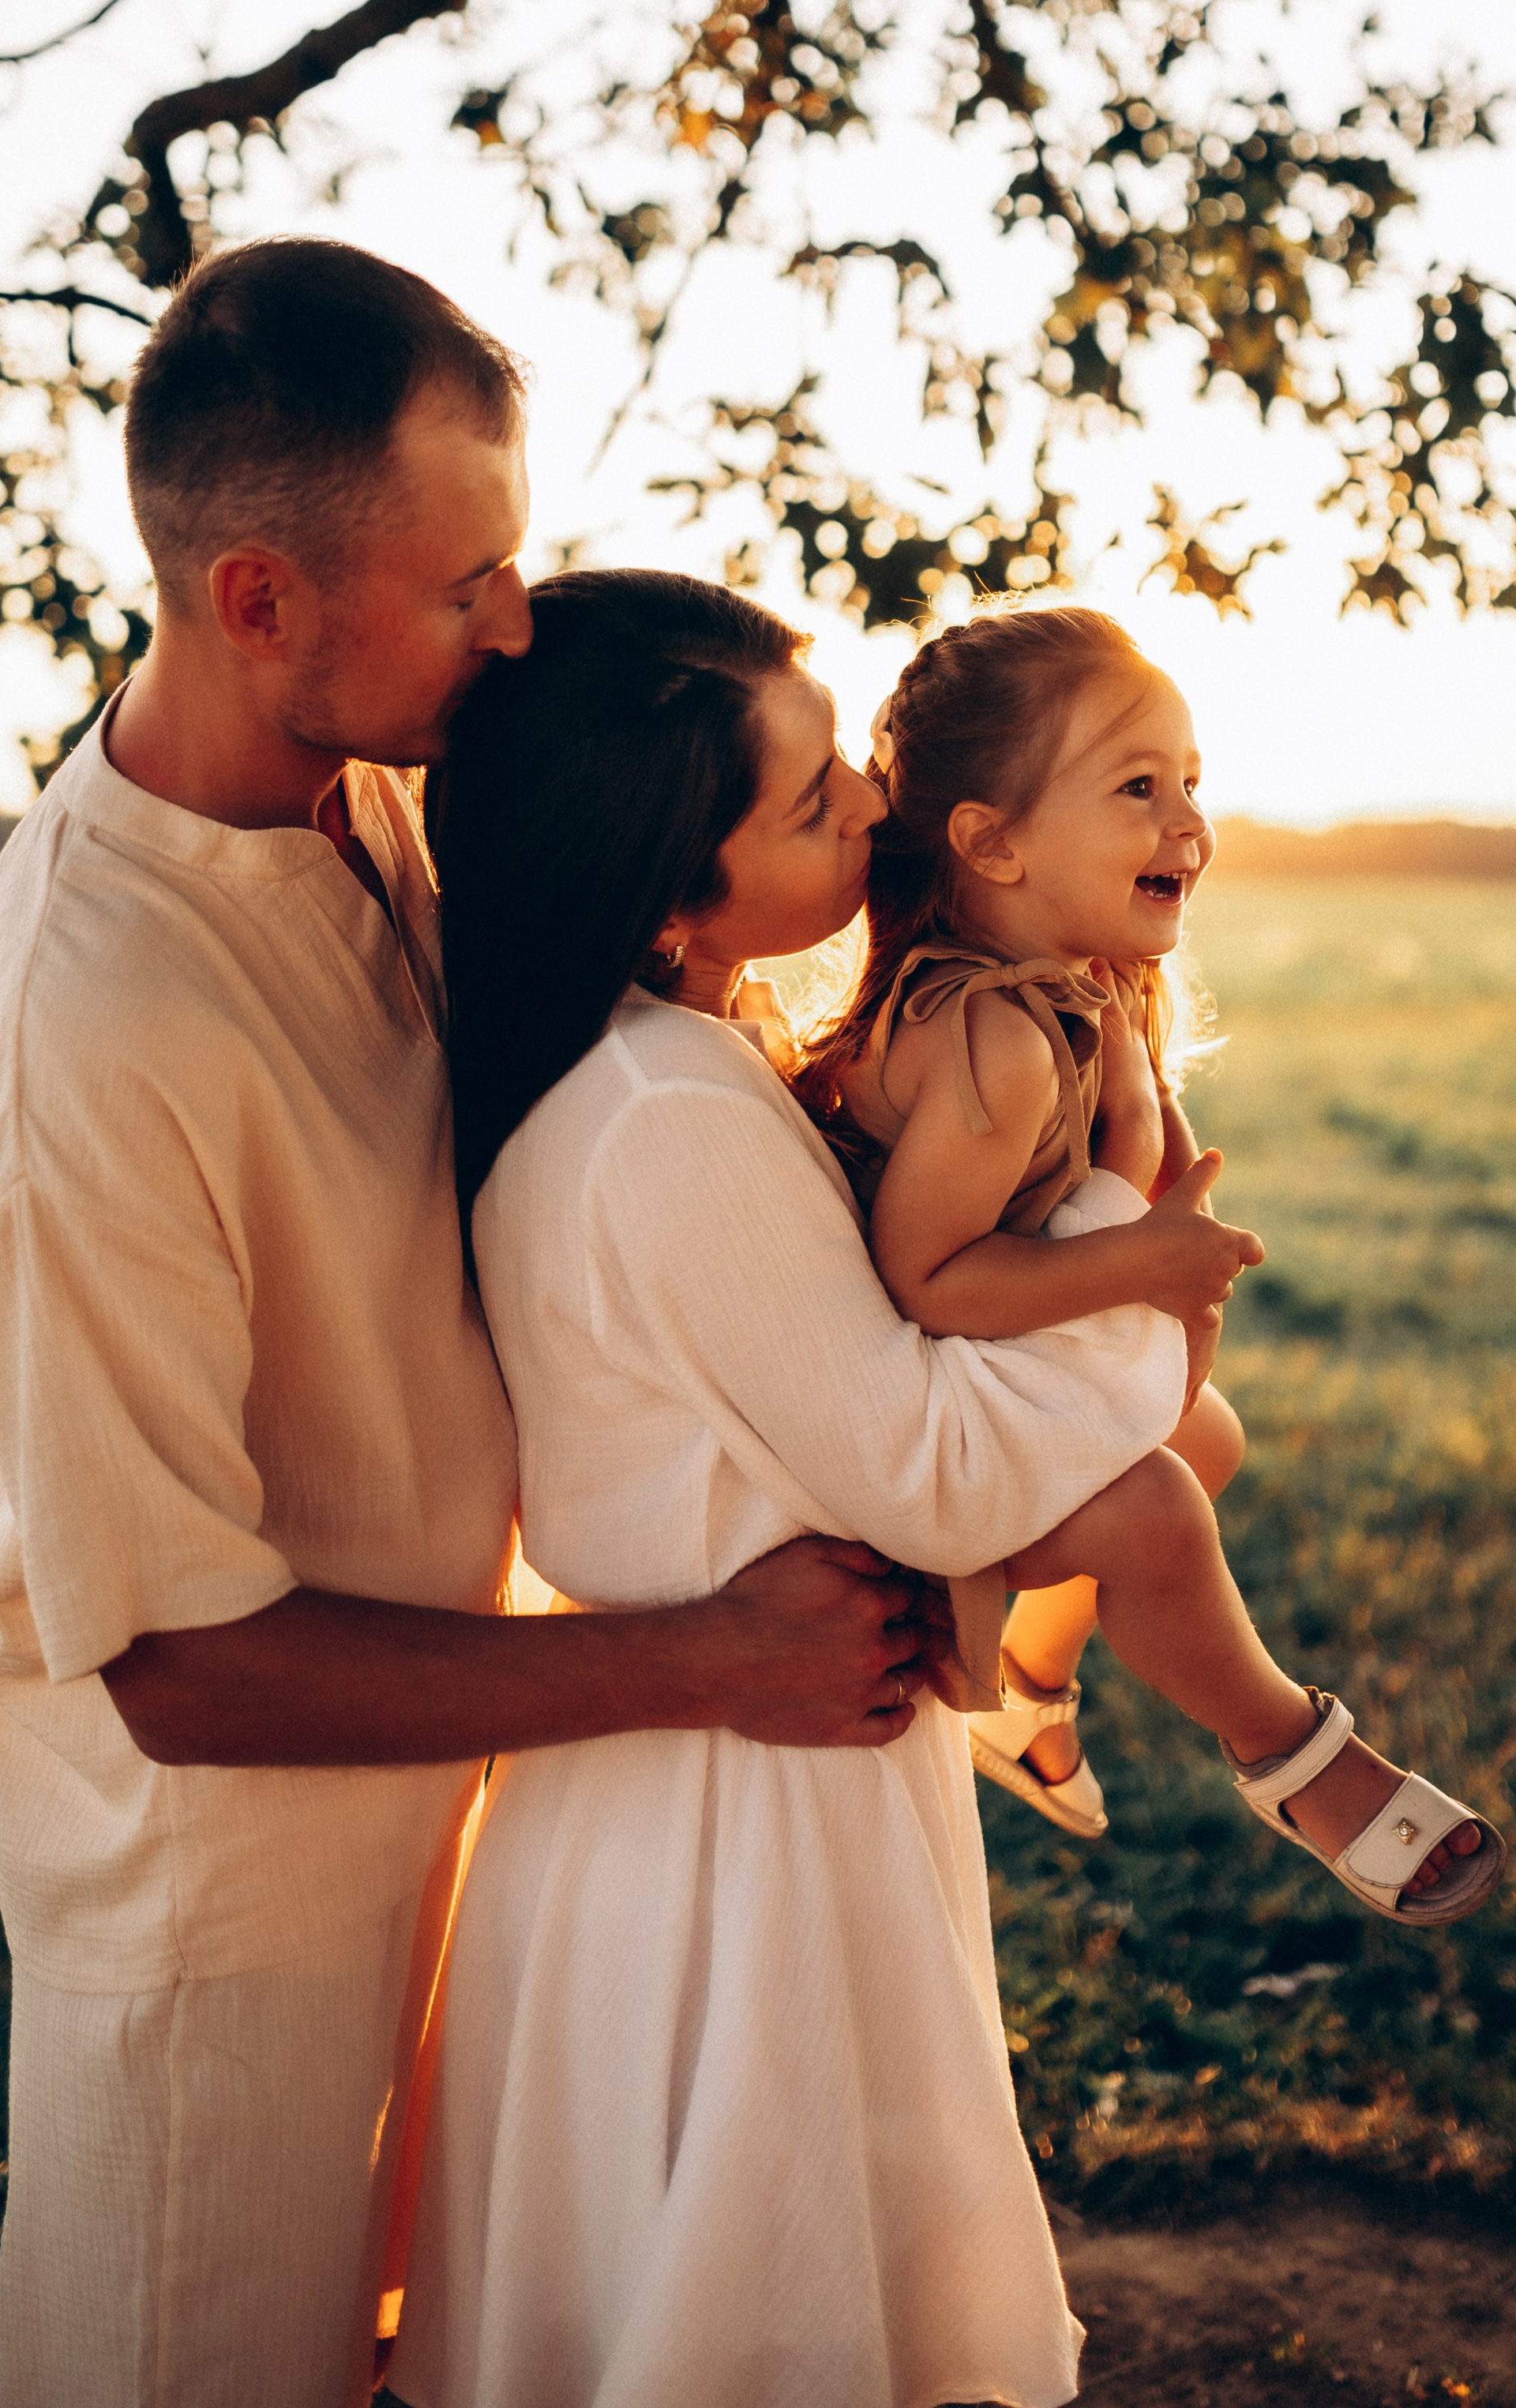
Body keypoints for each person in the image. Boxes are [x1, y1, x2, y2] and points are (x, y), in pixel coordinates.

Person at [0, 242, 931, 2408]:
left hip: (456, 1804)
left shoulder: (378, 794)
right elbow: (178, 1666)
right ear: (257, 599)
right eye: (467, 582)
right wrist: (705, 1658)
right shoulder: (84, 1028)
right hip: (221, 1932)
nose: (517, 624)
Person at [387, 570, 1206, 2408]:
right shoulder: (668, 1112)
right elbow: (928, 1474)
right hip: (732, 1829)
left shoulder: (675, 1064)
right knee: (761, 2313)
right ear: (671, 896)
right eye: (814, 793)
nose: (871, 801)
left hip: (723, 1769)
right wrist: (1131, 1249)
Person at [798, 602, 1506, 1922]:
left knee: (1205, 1435)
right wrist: (1145, 1265)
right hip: (894, 1424)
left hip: (980, 1375)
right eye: (1139, 788)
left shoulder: (1080, 995)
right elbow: (926, 1283)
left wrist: (1146, 1171)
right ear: (991, 842)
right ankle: (1296, 1758)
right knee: (1157, 1511)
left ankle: (1029, 1691)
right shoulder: (992, 1039)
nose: (1190, 823)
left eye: (1192, 782)